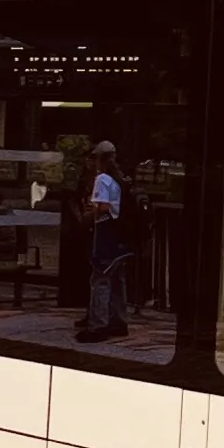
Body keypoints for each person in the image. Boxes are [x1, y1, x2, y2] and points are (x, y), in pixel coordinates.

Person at [81, 139, 130, 340]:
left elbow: (102, 208)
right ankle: (119, 321)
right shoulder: (123, 179)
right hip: (122, 236)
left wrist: (87, 216)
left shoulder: (102, 179)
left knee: (100, 279)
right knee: (118, 280)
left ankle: (98, 326)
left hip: (106, 234)